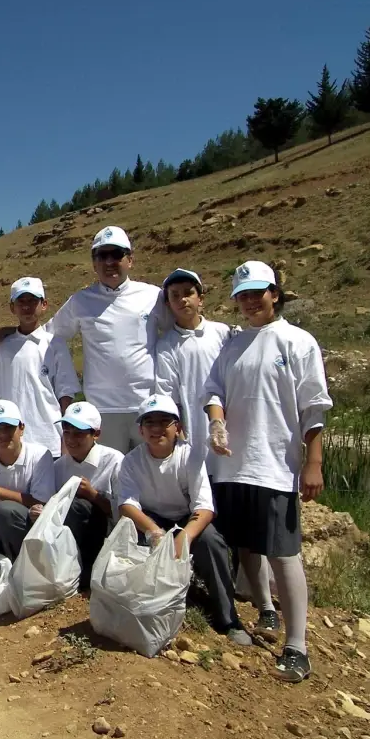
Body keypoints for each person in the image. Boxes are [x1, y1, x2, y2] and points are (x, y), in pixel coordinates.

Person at [204, 260, 333, 682]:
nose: (249, 302)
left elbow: (314, 408)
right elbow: (214, 391)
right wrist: (217, 420)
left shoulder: (297, 341)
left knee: (283, 553)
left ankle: (298, 646)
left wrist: (312, 462)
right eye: (241, 295)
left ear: (274, 294)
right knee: (245, 546)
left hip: (275, 466)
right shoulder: (232, 344)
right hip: (231, 464)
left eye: (257, 293)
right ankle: (264, 610)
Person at [118, 394, 249, 647]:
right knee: (128, 536)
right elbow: (127, 504)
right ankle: (143, 608)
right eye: (149, 423)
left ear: (177, 427)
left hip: (185, 519)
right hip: (151, 519)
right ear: (141, 430)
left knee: (211, 542)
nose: (157, 430)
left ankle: (228, 618)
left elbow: (204, 507)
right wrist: (156, 532)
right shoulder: (132, 461)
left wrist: (184, 537)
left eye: (164, 422)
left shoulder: (191, 456)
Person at [36, 226, 163, 454]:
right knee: (108, 481)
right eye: (101, 255)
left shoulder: (153, 296)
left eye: (116, 254)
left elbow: (181, 330)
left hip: (147, 405)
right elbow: (47, 335)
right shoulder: (81, 301)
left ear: (130, 260)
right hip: (102, 410)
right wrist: (6, 334)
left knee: (150, 479)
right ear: (94, 263)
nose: (109, 262)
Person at [0, 277, 78, 457]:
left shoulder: (55, 344)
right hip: (12, 441)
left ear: (43, 305)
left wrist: (66, 437)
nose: (27, 307)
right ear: (12, 307)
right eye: (21, 301)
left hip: (50, 440)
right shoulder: (2, 347)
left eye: (33, 301)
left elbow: (65, 394)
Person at [153, 268, 232, 471]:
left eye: (188, 293)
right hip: (194, 427)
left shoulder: (222, 333)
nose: (183, 300)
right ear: (168, 304)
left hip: (228, 421)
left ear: (200, 299)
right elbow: (167, 392)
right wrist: (179, 432)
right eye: (175, 296)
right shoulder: (166, 345)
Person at [0, 399, 56, 570]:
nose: (3, 434)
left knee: (6, 510)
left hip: (37, 531)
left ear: (21, 428)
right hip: (1, 534)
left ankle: (26, 568)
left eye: (9, 427)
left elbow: (42, 502)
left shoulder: (40, 456)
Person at [53, 402, 124, 590]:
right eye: (66, 432)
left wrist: (93, 495)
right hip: (69, 537)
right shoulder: (59, 467)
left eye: (78, 434)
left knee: (78, 505)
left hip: (106, 535)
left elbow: (124, 513)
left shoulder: (114, 460)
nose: (71, 439)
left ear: (96, 434)